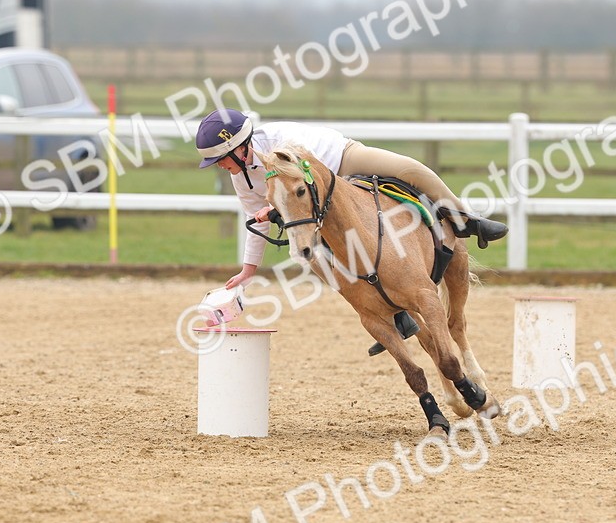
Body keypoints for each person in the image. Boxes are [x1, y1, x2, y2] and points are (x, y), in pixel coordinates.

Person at [194, 108, 508, 355]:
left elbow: (314, 182)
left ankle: (466, 219)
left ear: (240, 148)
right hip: (319, 206)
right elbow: (255, 218)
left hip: (343, 162)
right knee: (313, 258)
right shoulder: (241, 177)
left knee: (411, 169)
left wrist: (276, 210)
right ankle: (390, 314)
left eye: (220, 160)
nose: (219, 166)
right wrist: (248, 271)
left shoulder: (281, 142)